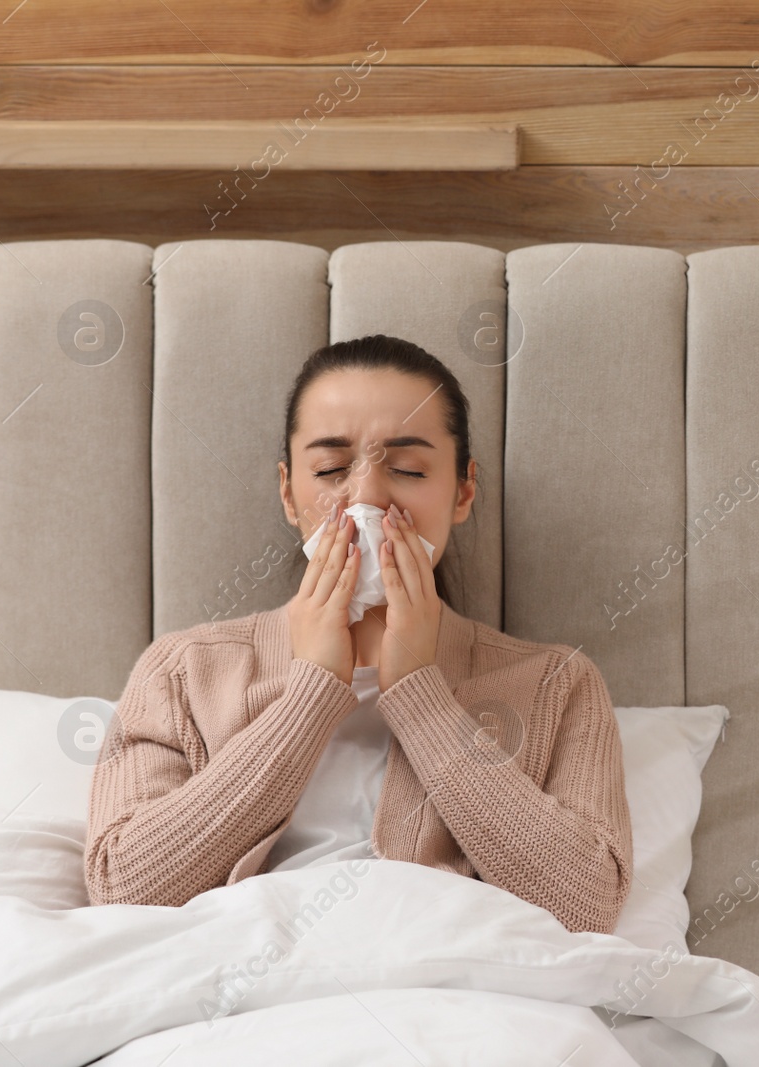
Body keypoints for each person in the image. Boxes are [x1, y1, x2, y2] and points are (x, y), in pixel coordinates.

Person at [83, 334, 632, 935]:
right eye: (330, 470)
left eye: (407, 469)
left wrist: (421, 696)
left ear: (463, 491)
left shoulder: (556, 682)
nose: (367, 497)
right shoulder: (183, 672)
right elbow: (123, 888)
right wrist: (311, 693)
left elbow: (588, 905)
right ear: (290, 492)